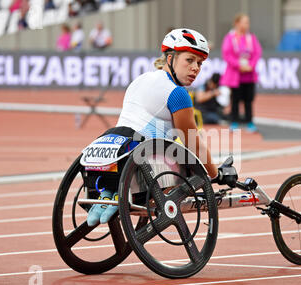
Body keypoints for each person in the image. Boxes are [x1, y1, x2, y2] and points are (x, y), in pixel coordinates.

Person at [86, 28, 236, 226]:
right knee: (191, 164)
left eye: (199, 63)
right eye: (189, 60)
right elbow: (192, 143)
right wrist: (217, 174)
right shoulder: (178, 94)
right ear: (170, 58)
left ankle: (109, 192)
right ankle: (151, 201)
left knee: (168, 148)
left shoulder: (140, 80)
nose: (196, 68)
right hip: (140, 167)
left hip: (111, 158)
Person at [220, 13, 262, 132]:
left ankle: (250, 122)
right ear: (237, 23)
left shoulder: (251, 37)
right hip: (235, 76)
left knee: (248, 100)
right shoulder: (230, 37)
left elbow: (257, 52)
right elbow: (227, 54)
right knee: (235, 100)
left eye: (248, 22)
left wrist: (251, 65)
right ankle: (234, 122)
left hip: (249, 75)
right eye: (244, 22)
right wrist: (239, 65)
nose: (247, 25)